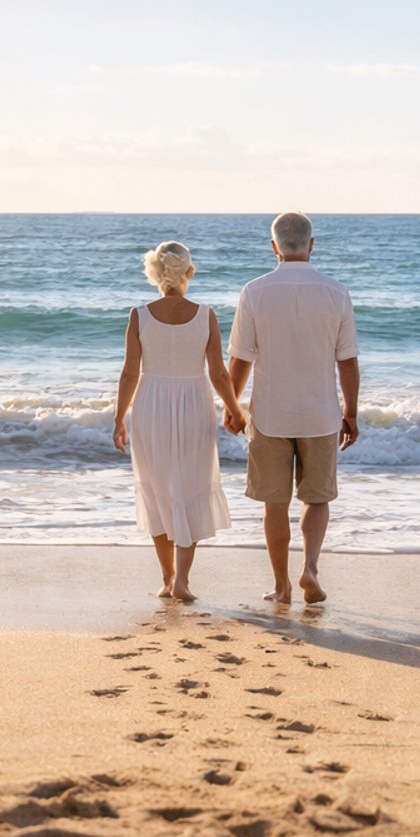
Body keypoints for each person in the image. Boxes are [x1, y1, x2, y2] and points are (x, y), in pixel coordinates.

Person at [227, 212, 360, 604]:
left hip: (269, 415)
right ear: (311, 245)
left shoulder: (255, 291)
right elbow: (348, 361)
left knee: (275, 503)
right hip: (320, 415)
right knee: (317, 498)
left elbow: (240, 359)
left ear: (274, 247)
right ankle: (311, 568)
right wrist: (350, 412)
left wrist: (234, 407)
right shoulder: (336, 292)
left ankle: (282, 585)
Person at [112, 241, 246, 601]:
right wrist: (235, 408)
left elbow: (129, 374)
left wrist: (118, 418)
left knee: (156, 488)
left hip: (150, 404)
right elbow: (218, 373)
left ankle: (168, 577)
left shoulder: (139, 315)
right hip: (194, 404)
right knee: (191, 486)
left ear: (154, 273)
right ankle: (183, 579)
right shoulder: (206, 315)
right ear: (189, 271)